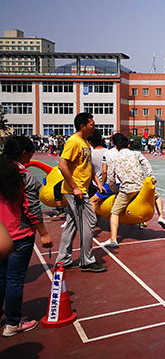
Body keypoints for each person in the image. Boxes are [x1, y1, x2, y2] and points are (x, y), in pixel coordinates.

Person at [0, 136, 54, 336]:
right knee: (14, 280)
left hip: (1, 234)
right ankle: (13, 323)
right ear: (24, 153)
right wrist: (44, 234)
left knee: (1, 277)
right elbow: (31, 209)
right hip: (18, 235)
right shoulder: (25, 177)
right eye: (30, 152)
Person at [55, 112, 107, 273]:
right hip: (76, 191)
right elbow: (62, 166)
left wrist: (98, 183)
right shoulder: (73, 142)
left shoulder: (85, 143)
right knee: (89, 222)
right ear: (82, 126)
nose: (94, 127)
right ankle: (86, 260)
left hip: (81, 189)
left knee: (71, 224)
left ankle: (63, 259)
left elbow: (87, 166)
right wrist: (75, 187)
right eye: (92, 124)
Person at [100, 133, 165, 247]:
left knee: (114, 212)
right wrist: (151, 176)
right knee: (156, 196)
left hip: (126, 190)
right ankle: (161, 216)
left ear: (115, 146)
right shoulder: (136, 154)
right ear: (128, 144)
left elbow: (111, 179)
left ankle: (113, 239)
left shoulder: (113, 159)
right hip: (141, 187)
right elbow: (146, 164)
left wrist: (114, 191)